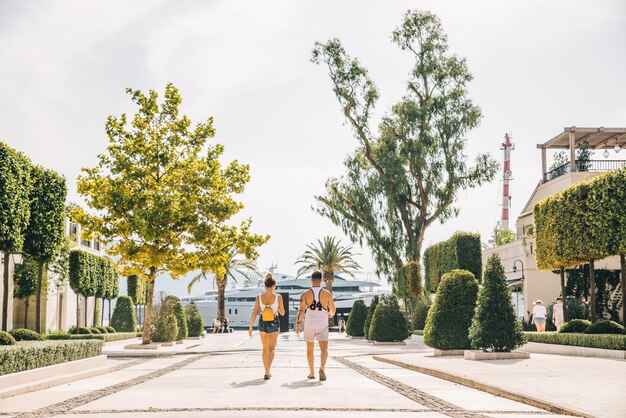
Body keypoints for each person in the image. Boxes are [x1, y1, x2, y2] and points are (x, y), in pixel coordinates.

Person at [296, 270, 336, 381]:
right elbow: (333, 309)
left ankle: (312, 373)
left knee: (310, 349)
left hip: (309, 324)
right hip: (322, 324)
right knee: (324, 349)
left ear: (311, 280)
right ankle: (322, 368)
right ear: (322, 280)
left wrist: (298, 324)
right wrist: (330, 313)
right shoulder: (327, 293)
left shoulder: (305, 294)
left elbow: (301, 311)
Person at [249, 273, 285, 380]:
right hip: (273, 321)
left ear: (265, 286)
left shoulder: (259, 297)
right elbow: (282, 313)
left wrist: (250, 326)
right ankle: (267, 370)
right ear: (274, 286)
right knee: (272, 349)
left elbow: (255, 312)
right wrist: (278, 309)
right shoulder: (278, 297)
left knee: (265, 349)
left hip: (262, 322)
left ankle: (266, 371)